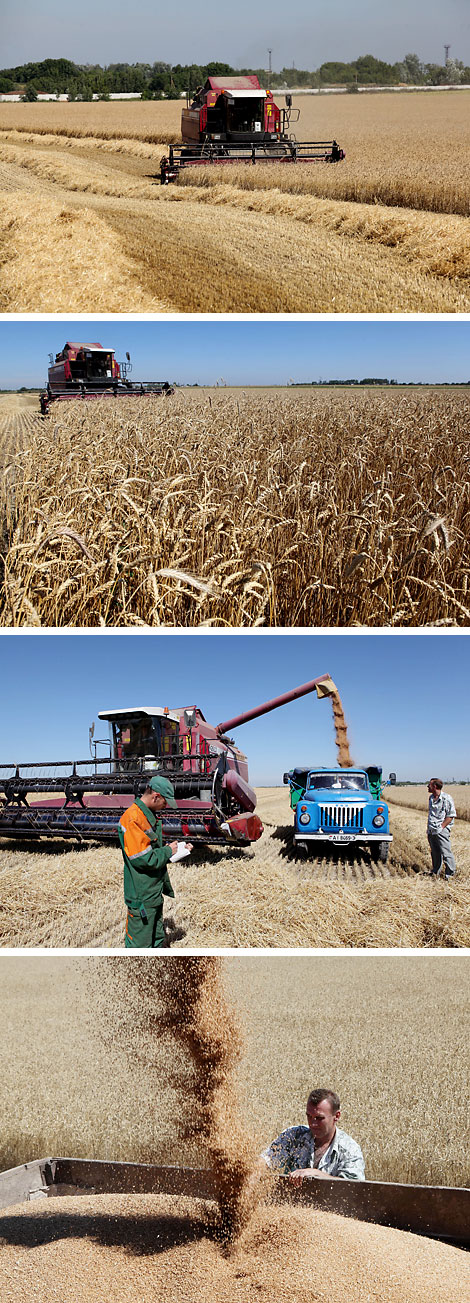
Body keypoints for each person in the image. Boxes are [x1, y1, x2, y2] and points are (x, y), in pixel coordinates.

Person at [118, 776, 190, 948]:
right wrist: (167, 851)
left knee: (157, 938)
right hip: (142, 894)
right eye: (165, 802)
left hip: (153, 891)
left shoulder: (146, 815)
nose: (165, 807)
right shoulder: (133, 818)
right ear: (156, 796)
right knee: (140, 946)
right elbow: (143, 859)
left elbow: (149, 848)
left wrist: (178, 850)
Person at [262, 1088, 365, 1183]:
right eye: (309, 1116)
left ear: (336, 1116)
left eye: (319, 1118)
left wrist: (316, 1174)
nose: (313, 1123)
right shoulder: (293, 1136)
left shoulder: (349, 1149)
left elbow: (353, 1189)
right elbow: (265, 1161)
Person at [427, 778, 456, 880]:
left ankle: (450, 875)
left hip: (441, 831)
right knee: (435, 852)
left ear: (435, 786)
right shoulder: (431, 798)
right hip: (431, 830)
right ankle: (435, 872)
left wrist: (442, 827)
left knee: (446, 852)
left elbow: (451, 815)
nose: (427, 787)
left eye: (429, 785)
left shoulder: (446, 798)